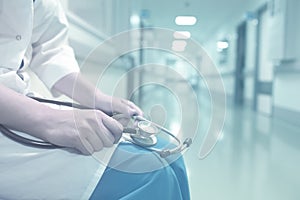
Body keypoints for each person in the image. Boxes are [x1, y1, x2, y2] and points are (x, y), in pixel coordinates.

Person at [0, 0, 190, 199]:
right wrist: (48, 121)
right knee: (152, 172)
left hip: (17, 99)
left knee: (171, 156)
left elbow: (51, 49)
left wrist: (99, 99)